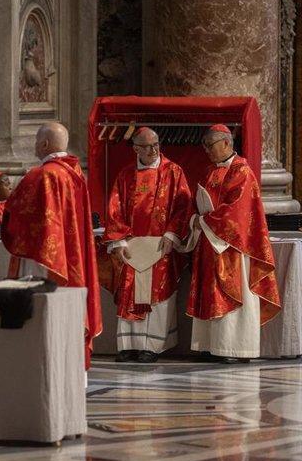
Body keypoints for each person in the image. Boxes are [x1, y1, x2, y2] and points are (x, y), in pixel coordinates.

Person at [1, 122, 102, 370]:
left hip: (43, 260)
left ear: (45, 144)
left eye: (37, 141)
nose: (35, 145)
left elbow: (14, 214)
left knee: (42, 312)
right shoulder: (75, 174)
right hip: (71, 256)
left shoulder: (40, 175)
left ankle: (39, 362)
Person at [186, 124, 280, 363]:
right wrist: (196, 217)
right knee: (210, 292)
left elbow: (236, 212)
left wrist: (204, 220)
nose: (207, 150)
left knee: (234, 293)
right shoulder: (210, 172)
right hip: (210, 242)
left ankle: (234, 348)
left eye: (211, 145)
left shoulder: (242, 172)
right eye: (205, 146)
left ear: (227, 143)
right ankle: (210, 345)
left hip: (234, 246)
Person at [103, 127, 192, 363]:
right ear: (135, 149)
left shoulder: (173, 172)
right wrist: (120, 241)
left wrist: (172, 234)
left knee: (155, 294)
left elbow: (184, 205)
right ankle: (128, 345)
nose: (153, 150)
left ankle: (151, 346)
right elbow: (115, 208)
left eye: (156, 145)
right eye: (147, 146)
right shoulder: (125, 175)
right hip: (133, 245)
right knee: (129, 293)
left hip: (159, 245)